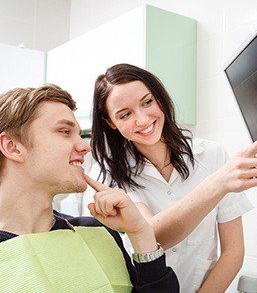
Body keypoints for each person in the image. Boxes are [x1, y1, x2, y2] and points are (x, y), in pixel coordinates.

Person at [87, 64, 257, 293]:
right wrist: (218, 183)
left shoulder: (212, 155)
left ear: (159, 98)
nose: (142, 119)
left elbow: (233, 251)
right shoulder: (108, 173)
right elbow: (152, 236)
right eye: (125, 114)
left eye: (148, 102)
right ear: (111, 122)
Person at [0, 84, 179, 293]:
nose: (85, 146)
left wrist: (140, 233)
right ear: (12, 147)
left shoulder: (97, 231)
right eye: (64, 131)